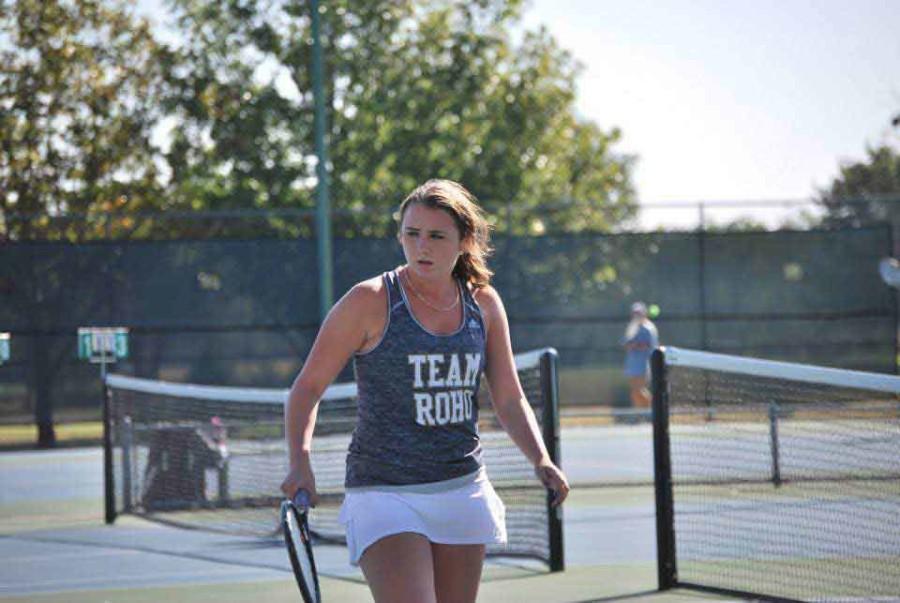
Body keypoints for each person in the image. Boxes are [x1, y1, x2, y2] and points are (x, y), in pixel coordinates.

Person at [281, 179, 569, 603]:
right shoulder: (370, 301)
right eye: (412, 234)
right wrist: (299, 462)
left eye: (436, 236)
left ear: (464, 241)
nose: (422, 247)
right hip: (384, 492)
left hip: (461, 486)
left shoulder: (483, 304)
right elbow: (306, 389)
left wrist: (540, 458)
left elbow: (508, 397)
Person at [622, 301, 659, 410]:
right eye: (634, 313)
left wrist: (635, 345)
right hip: (632, 364)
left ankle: (657, 409)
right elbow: (625, 344)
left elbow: (649, 346)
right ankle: (640, 414)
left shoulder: (649, 328)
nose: (636, 315)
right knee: (634, 391)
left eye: (639, 313)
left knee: (640, 389)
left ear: (644, 313)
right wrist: (631, 345)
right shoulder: (632, 327)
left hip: (645, 364)